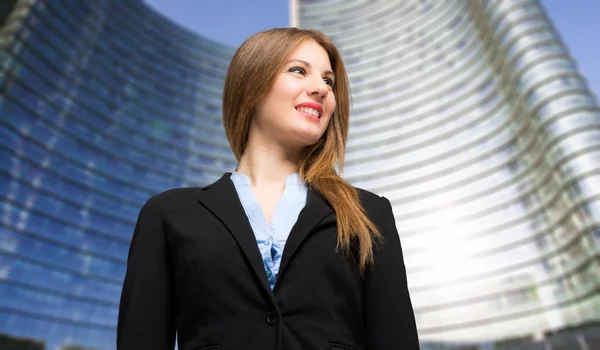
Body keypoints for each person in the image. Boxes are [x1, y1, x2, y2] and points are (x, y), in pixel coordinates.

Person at [117, 27, 419, 350]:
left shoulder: (368, 214)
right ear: (252, 82)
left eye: (328, 81)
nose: (320, 89)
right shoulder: (168, 215)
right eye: (298, 71)